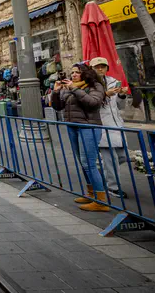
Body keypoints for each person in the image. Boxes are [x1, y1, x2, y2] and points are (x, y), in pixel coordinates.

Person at [52, 63, 108, 212]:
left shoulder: (94, 85)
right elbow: (58, 107)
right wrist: (56, 92)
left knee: (89, 163)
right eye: (72, 72)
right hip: (73, 126)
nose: (74, 75)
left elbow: (93, 103)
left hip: (88, 127)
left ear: (85, 73)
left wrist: (74, 89)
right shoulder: (72, 87)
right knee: (83, 163)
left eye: (77, 72)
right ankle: (91, 194)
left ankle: (101, 201)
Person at [91, 57, 130, 199]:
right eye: (97, 67)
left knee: (123, 156)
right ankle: (112, 187)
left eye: (103, 66)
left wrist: (121, 95)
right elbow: (91, 104)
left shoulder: (113, 81)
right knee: (111, 159)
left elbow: (119, 106)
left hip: (117, 125)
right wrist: (106, 94)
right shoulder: (90, 85)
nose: (100, 69)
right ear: (92, 69)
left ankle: (103, 172)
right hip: (101, 125)